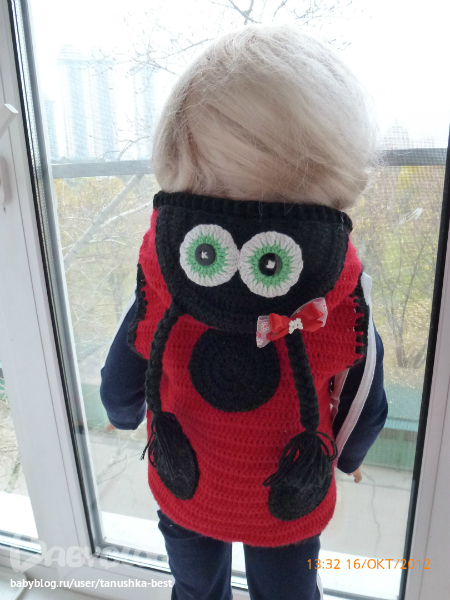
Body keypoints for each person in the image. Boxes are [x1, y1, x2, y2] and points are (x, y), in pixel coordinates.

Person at [100, 24, 388, 600]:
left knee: (195, 587)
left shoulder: (166, 263)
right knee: (287, 591)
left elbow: (125, 365)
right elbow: (364, 397)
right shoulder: (339, 286)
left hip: (186, 481)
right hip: (287, 492)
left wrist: (122, 411)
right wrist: (347, 455)